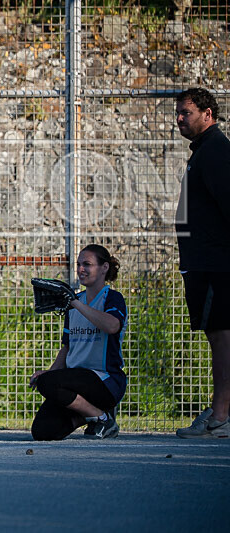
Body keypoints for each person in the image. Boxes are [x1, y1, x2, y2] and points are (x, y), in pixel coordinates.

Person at [174, 88, 230, 439]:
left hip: (217, 264)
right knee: (217, 335)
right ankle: (221, 410)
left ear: (208, 114)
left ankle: (221, 416)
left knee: (222, 336)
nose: (180, 119)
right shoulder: (203, 152)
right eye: (178, 113)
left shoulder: (215, 152)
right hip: (204, 262)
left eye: (187, 113)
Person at [29, 245, 127, 440]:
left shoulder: (112, 298)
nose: (81, 269)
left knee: (49, 383)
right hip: (76, 381)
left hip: (105, 381)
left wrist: (75, 303)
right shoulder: (73, 304)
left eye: (87, 264)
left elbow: (112, 326)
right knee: (43, 431)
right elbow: (67, 347)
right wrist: (50, 372)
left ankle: (103, 418)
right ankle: (93, 414)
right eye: (79, 264)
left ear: (104, 268)